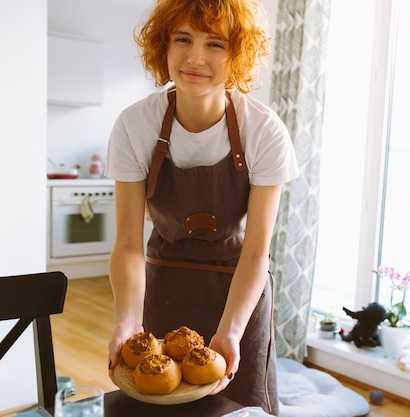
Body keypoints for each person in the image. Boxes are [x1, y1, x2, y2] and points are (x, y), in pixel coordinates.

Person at [104, 0, 299, 414]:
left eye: (215, 44)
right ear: (163, 46)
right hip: (164, 288)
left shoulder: (264, 131)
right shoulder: (134, 125)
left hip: (238, 291)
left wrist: (229, 331)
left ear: (237, 54)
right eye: (183, 39)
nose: (195, 57)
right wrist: (126, 320)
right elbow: (126, 245)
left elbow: (256, 251)